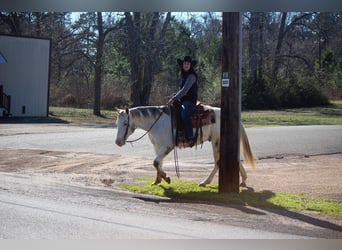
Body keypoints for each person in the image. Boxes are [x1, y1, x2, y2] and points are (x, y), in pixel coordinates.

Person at [167, 55, 198, 145]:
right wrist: (174, 96)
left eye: (188, 64)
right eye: (185, 63)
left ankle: (190, 137)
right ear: (182, 65)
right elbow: (182, 91)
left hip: (190, 101)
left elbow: (184, 90)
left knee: (184, 114)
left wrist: (174, 98)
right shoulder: (184, 75)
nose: (186, 65)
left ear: (190, 65)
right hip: (184, 101)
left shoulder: (192, 76)